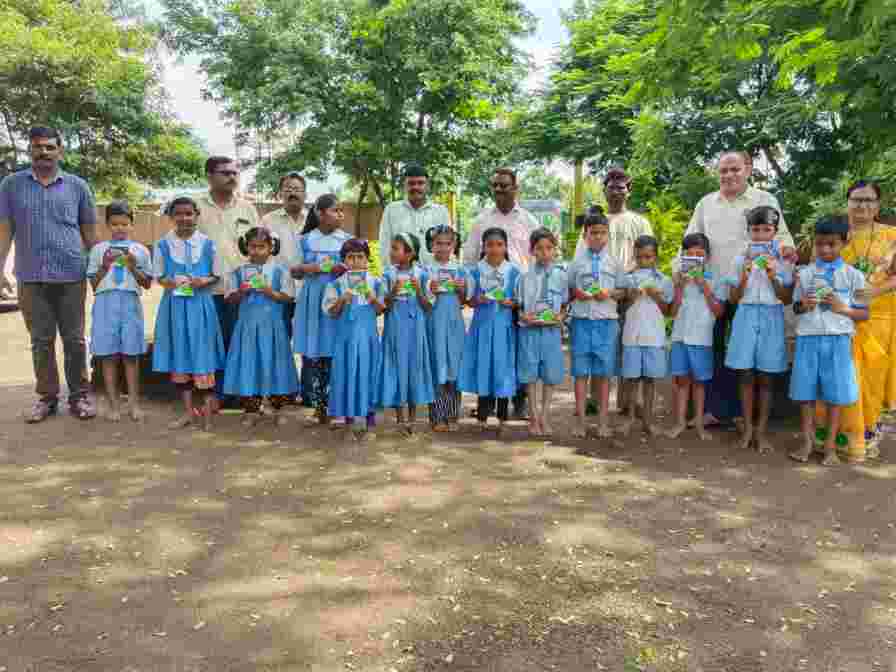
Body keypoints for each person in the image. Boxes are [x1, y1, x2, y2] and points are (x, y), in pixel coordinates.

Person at [685, 150, 796, 428]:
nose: (729, 175)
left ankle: (741, 415)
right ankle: (715, 409)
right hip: (714, 289)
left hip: (754, 294)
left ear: (748, 169)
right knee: (713, 346)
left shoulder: (764, 200)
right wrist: (683, 270)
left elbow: (783, 236)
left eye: (734, 169)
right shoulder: (706, 203)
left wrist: (787, 252)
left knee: (748, 354)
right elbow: (690, 241)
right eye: (723, 171)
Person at [0, 126, 98, 422]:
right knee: (40, 341)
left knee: (75, 339)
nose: (44, 152)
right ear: (29, 150)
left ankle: (80, 396)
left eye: (50, 147)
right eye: (38, 147)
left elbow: (90, 234)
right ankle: (47, 398)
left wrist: (99, 273)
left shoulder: (77, 186)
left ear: (60, 151)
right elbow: (5, 230)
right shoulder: (10, 185)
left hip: (71, 274)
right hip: (30, 276)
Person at [574, 168, 652, 420]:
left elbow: (647, 254)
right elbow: (580, 257)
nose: (616, 191)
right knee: (600, 346)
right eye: (611, 186)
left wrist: (633, 284)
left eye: (621, 187)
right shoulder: (594, 221)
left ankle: (629, 401)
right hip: (597, 295)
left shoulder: (639, 222)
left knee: (629, 345)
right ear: (604, 190)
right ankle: (595, 400)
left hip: (629, 290)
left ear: (628, 191)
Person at [790, 215, 868, 466]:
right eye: (820, 243)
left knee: (834, 397)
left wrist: (842, 308)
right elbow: (795, 308)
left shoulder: (854, 276)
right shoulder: (804, 275)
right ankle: (807, 443)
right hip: (808, 340)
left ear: (845, 242)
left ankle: (831, 448)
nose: (825, 249)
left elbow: (864, 313)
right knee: (806, 395)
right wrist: (804, 304)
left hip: (838, 341)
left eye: (832, 244)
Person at [462, 167, 539, 418]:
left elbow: (538, 254)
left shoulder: (528, 220)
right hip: (488, 305)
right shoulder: (482, 220)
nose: (499, 189)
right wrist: (473, 288)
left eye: (504, 185)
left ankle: (519, 402)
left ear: (515, 188)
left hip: (519, 296)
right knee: (490, 351)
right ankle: (488, 402)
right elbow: (471, 258)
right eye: (495, 185)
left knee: (518, 348)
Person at [833, 180, 896, 461]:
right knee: (843, 374)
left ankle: (866, 434)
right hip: (839, 316)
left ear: (877, 205)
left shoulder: (891, 235)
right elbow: (815, 266)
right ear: (847, 201)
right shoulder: (835, 233)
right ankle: (839, 435)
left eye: (869, 200)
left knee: (870, 377)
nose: (862, 205)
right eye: (857, 199)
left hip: (879, 316)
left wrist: (876, 291)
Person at [152, 197, 225, 432]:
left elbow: (216, 274)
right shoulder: (163, 245)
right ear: (172, 217)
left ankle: (207, 415)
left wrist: (203, 280)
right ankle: (187, 413)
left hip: (200, 306)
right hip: (175, 308)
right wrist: (172, 282)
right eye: (179, 214)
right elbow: (159, 277)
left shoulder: (207, 244)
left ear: (196, 215)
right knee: (181, 356)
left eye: (189, 214)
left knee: (202, 356)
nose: (184, 218)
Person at [726, 206, 794, 454]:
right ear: (749, 231)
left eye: (767, 230)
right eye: (756, 229)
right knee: (745, 373)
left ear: (775, 232)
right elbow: (733, 298)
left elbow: (786, 298)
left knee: (766, 375)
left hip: (772, 315)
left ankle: (761, 432)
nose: (761, 235)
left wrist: (774, 274)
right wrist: (744, 276)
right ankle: (747, 431)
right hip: (745, 314)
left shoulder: (784, 261)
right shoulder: (738, 258)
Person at [194, 156, 259, 402]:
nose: (232, 177)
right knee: (212, 341)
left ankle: (240, 392)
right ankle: (216, 394)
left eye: (234, 173)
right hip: (206, 289)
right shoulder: (196, 207)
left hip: (240, 290)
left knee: (239, 340)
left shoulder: (247, 208)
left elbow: (258, 246)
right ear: (209, 176)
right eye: (225, 173)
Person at [222, 227, 299, 427]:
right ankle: (251, 410)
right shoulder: (238, 272)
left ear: (271, 247)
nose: (257, 251)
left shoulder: (280, 271)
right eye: (252, 246)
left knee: (276, 365)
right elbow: (230, 299)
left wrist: (268, 290)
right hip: (247, 328)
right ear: (246, 247)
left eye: (261, 246)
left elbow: (288, 297)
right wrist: (242, 291)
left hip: (273, 328)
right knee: (250, 364)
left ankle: (277, 409)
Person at [87, 201, 152, 422]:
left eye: (124, 223)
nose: (120, 228)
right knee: (108, 355)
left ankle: (134, 403)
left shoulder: (140, 250)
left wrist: (133, 266)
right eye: (114, 224)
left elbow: (147, 283)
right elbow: (94, 285)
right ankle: (114, 404)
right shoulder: (98, 250)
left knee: (131, 355)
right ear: (107, 225)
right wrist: (105, 265)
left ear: (132, 225)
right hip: (105, 304)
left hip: (130, 303)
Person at [291, 194, 351, 425]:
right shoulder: (305, 240)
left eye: (341, 210)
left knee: (336, 350)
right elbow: (294, 270)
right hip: (313, 300)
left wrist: (343, 268)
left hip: (338, 300)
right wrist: (314, 267)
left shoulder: (346, 240)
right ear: (320, 213)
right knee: (316, 353)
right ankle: (319, 407)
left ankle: (338, 404)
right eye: (336, 210)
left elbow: (357, 268)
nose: (340, 215)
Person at [567, 210, 625, 439]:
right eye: (593, 233)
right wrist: (577, 293)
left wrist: (609, 293)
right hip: (581, 322)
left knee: (604, 374)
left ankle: (603, 421)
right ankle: (580, 422)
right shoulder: (576, 263)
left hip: (606, 324)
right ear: (585, 235)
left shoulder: (614, 262)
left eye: (602, 233)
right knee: (581, 374)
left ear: (607, 236)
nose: (597, 237)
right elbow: (568, 289)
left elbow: (623, 291)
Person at [666, 233, 727, 440]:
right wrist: (679, 287)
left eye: (699, 254)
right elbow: (672, 312)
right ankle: (680, 422)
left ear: (707, 257)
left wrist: (704, 286)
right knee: (682, 380)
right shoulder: (677, 278)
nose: (694, 258)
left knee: (700, 383)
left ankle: (700, 424)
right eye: (689, 254)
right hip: (680, 336)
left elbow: (719, 312)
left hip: (702, 337)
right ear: (683, 257)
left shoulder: (716, 277)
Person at [459, 228, 521, 435]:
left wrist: (509, 302)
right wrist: (480, 299)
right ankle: (483, 417)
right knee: (484, 369)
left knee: (502, 371)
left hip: (504, 330)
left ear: (505, 247)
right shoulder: (475, 271)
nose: (494, 249)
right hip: (482, 330)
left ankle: (503, 418)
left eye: (499, 244)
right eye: (490, 245)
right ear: (483, 247)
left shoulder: (513, 272)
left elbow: (519, 302)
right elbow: (469, 300)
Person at [324, 239, 386, 440]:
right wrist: (343, 299)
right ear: (344, 261)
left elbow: (380, 310)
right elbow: (331, 313)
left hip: (368, 341)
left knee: (368, 375)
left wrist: (370, 297)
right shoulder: (335, 284)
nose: (356, 261)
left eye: (360, 257)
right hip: (345, 342)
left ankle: (369, 422)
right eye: (351, 257)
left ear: (367, 260)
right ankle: (349, 424)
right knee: (346, 376)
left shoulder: (375, 282)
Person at [618, 235, 673, 437]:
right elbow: (621, 308)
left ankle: (647, 421)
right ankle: (630, 419)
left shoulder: (664, 280)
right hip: (632, 336)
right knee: (631, 380)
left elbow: (668, 310)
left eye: (648, 257)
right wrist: (630, 296)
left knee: (650, 381)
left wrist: (656, 295)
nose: (644, 261)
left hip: (654, 336)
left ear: (655, 258)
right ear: (635, 256)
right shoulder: (627, 279)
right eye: (640, 257)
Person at [381, 233, 435, 434]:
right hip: (395, 327)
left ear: (410, 253)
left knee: (414, 366)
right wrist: (393, 291)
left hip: (415, 329)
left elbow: (428, 306)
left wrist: (419, 290)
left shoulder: (422, 274)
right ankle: (400, 418)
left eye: (396, 248)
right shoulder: (388, 274)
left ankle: (412, 418)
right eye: (392, 248)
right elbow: (383, 305)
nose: (392, 252)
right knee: (396, 366)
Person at [516, 228, 568, 437]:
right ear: (532, 251)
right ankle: (534, 416)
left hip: (551, 333)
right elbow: (519, 308)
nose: (545, 252)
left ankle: (545, 416)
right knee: (530, 376)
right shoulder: (525, 278)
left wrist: (560, 318)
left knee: (550, 375)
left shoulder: (561, 277)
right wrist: (524, 316)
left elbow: (565, 305)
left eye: (549, 248)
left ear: (555, 250)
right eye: (539, 248)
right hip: (529, 333)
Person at [424, 225, 470, 432]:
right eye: (438, 243)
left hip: (455, 324)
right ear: (431, 246)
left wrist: (462, 289)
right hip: (434, 323)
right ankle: (437, 417)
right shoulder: (425, 269)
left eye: (448, 243)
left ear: (454, 245)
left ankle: (453, 415)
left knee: (454, 366)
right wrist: (429, 289)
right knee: (437, 366)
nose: (443, 248)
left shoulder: (460, 269)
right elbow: (422, 301)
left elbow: (463, 300)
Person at [261, 171, 308, 340]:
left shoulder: (315, 219)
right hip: (278, 290)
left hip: (309, 290)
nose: (292, 193)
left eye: (297, 189)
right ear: (280, 193)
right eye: (287, 188)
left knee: (310, 341)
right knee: (279, 339)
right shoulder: (267, 221)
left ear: (305, 193)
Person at [378, 164, 452, 267]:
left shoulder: (441, 212)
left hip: (433, 277)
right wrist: (390, 274)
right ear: (404, 186)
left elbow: (448, 245)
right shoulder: (392, 210)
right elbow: (384, 245)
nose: (415, 187)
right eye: (411, 183)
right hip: (401, 277)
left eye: (420, 183)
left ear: (427, 186)